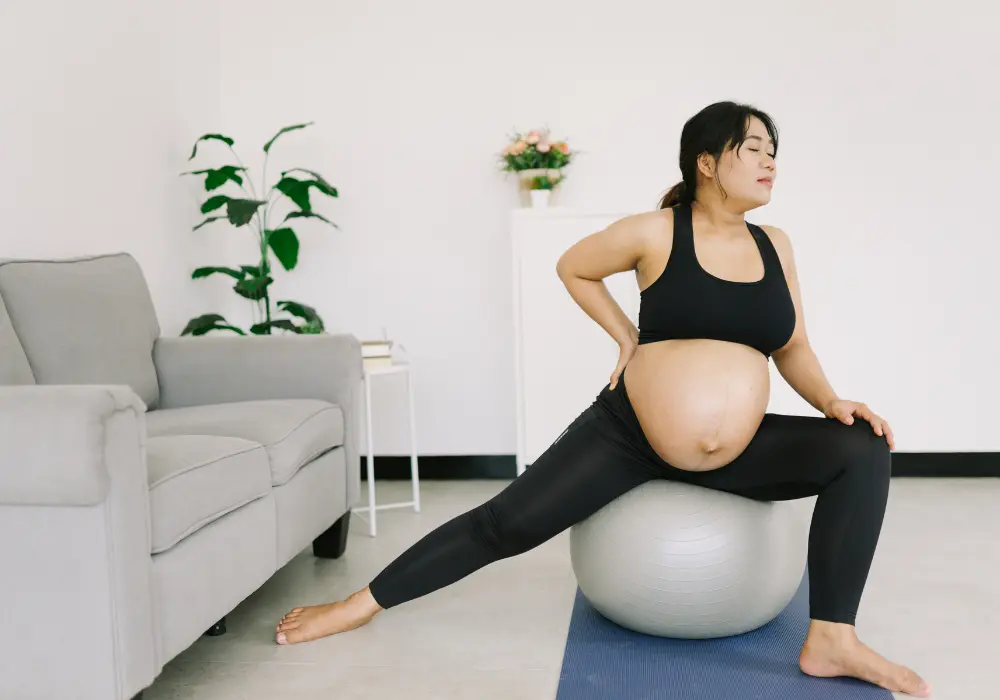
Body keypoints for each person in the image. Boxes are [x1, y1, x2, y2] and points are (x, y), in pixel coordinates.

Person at [274, 101, 931, 698]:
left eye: (772, 150)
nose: (770, 161)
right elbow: (574, 264)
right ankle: (358, 604)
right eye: (754, 147)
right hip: (630, 437)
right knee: (505, 524)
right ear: (708, 162)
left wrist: (834, 402)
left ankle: (832, 639)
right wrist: (625, 337)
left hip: (740, 448)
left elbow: (792, 346)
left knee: (862, 447)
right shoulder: (656, 231)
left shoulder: (774, 245)